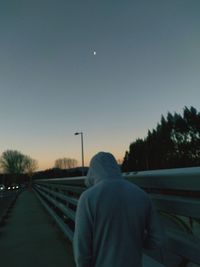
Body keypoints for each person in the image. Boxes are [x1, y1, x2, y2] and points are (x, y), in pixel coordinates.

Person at [73, 152, 164, 267]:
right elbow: (158, 239)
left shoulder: (88, 198)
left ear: (93, 172)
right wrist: (137, 239)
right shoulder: (141, 194)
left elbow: (82, 247)